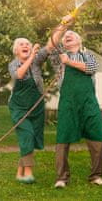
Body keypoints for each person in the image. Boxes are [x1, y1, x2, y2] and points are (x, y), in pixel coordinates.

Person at [8, 15, 73, 184]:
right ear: (16, 51)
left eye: (28, 44)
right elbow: (20, 75)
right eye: (22, 44)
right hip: (19, 107)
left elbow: (51, 43)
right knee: (27, 135)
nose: (26, 46)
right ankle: (28, 172)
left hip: (36, 107)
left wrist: (63, 24)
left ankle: (19, 172)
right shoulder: (14, 64)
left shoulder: (36, 60)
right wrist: (32, 56)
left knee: (32, 138)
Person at [49, 30, 102, 188]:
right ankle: (62, 178)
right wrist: (63, 25)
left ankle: (96, 176)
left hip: (88, 102)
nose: (67, 36)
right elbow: (52, 42)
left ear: (79, 40)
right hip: (68, 103)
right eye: (65, 36)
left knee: (98, 136)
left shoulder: (87, 55)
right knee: (62, 138)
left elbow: (91, 68)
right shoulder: (58, 56)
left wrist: (69, 62)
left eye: (71, 34)